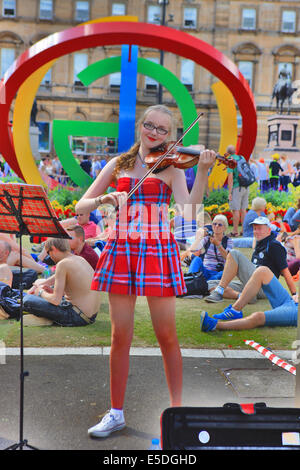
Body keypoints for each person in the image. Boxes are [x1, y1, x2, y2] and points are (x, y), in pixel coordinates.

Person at [75, 104, 216, 438]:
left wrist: (205, 172)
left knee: (166, 335)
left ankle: (178, 414)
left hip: (156, 249)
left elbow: (190, 212)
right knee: (119, 336)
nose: (154, 133)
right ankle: (116, 413)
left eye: (162, 130)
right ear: (141, 125)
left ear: (170, 135)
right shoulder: (118, 164)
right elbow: (81, 206)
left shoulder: (171, 167)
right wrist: (105, 200)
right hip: (122, 247)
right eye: (150, 126)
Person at [205, 216, 296, 304]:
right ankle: (243, 296)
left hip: (264, 288)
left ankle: (220, 291)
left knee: (234, 253)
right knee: (210, 284)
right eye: (255, 228)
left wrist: (294, 294)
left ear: (268, 230)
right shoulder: (259, 244)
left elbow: (285, 271)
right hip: (251, 284)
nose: (256, 231)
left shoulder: (274, 245)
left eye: (259, 228)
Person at [23, 237, 101, 327]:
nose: (50, 257)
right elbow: (75, 290)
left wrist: (40, 292)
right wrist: (45, 287)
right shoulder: (79, 259)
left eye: (48, 253)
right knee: (41, 287)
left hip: (78, 317)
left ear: (54, 249)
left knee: (27, 300)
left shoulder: (63, 264)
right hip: (90, 315)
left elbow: (55, 300)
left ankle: (45, 319)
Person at [200, 266, 298, 332]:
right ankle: (235, 310)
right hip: (292, 302)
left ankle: (214, 325)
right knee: (262, 270)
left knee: (258, 317)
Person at [187, 214, 233, 281]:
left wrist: (218, 245)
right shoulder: (207, 239)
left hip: (218, 273)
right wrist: (199, 238)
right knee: (197, 259)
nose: (216, 226)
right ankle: (189, 280)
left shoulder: (228, 241)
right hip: (205, 271)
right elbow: (192, 249)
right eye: (214, 224)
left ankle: (206, 283)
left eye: (219, 225)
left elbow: (228, 257)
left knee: (224, 273)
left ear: (225, 228)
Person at [226, 145, 249, 237]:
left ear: (227, 152)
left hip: (236, 187)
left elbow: (230, 178)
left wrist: (230, 192)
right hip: (246, 186)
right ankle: (243, 231)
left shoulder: (230, 160)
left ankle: (235, 231)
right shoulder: (241, 157)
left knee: (235, 210)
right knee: (243, 210)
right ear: (235, 151)